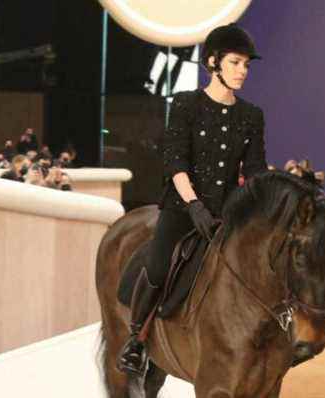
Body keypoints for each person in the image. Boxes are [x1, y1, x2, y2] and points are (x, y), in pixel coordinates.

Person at [117, 23, 267, 376]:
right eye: (235, 63)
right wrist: (195, 205)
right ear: (213, 62)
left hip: (228, 214)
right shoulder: (186, 104)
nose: (242, 71)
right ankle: (136, 339)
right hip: (183, 207)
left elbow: (256, 169)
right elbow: (175, 162)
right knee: (157, 266)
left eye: (246, 65)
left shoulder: (252, 115)